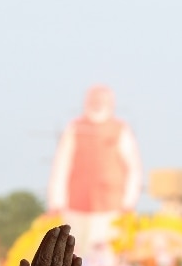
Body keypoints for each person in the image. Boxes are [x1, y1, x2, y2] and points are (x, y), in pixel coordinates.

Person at [47, 84, 143, 255]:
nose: (97, 103)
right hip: (76, 205)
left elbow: (133, 168)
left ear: (111, 103)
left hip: (111, 207)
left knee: (106, 256)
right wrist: (56, 202)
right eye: (93, 99)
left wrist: (129, 202)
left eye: (101, 100)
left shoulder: (120, 129)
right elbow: (61, 165)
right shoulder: (75, 127)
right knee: (74, 254)